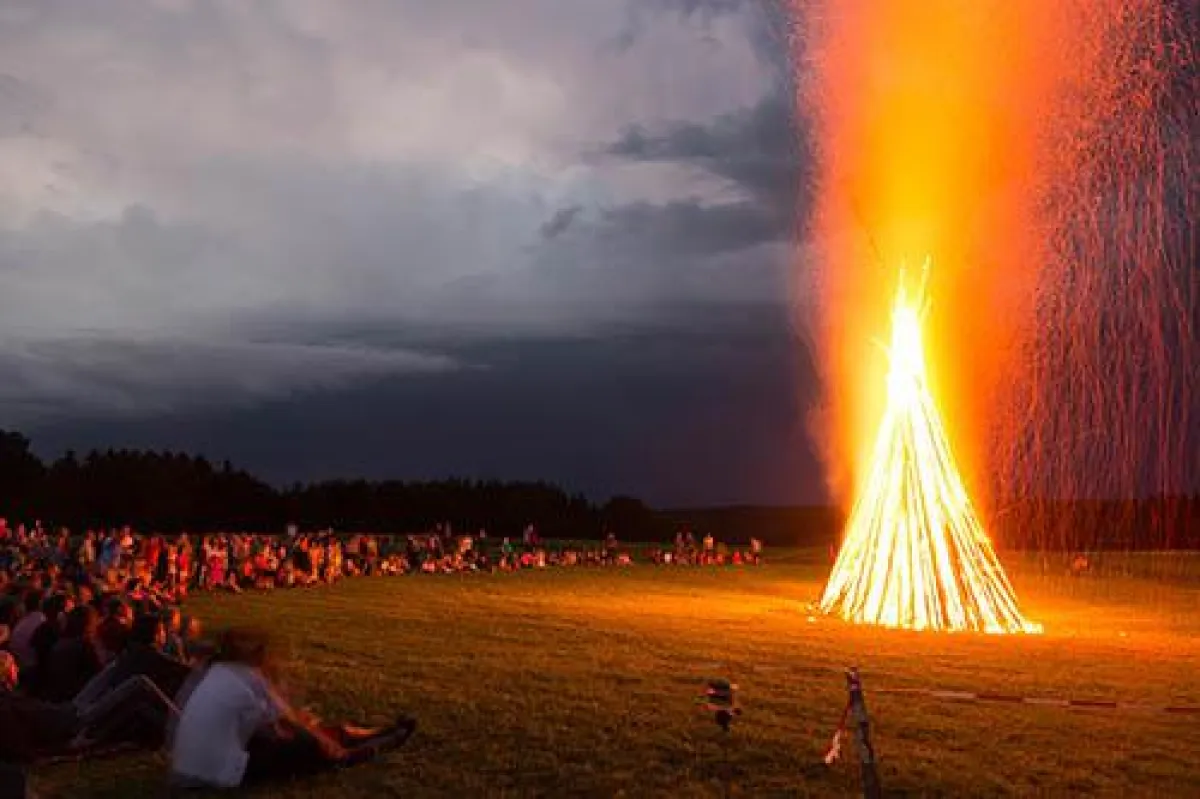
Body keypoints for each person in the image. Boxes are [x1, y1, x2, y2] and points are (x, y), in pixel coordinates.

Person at [170, 627, 416, 789]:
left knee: (308, 735)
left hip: (187, 768)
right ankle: (391, 738)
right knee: (323, 751)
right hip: (215, 774)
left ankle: (375, 732)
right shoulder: (250, 678)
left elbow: (270, 721)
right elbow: (287, 723)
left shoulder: (219, 672)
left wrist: (300, 723)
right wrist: (322, 741)